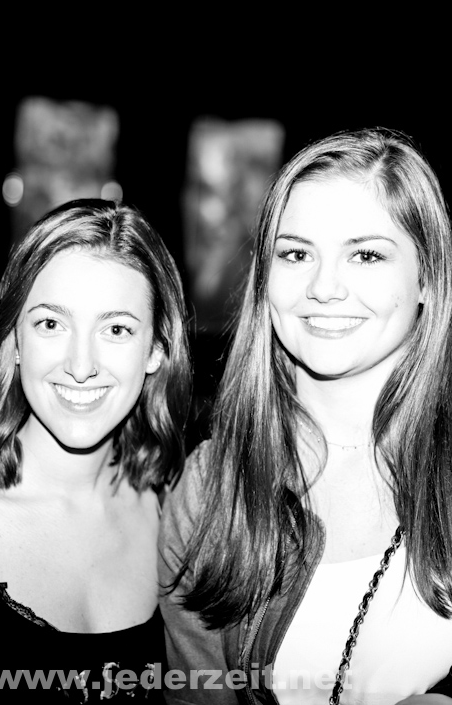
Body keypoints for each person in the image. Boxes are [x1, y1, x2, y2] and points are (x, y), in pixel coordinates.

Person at [158, 127, 452, 704]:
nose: (323, 287)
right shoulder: (211, 490)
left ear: (426, 278)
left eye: (365, 254)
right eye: (296, 254)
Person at [0, 198, 191, 703]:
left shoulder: (180, 513)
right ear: (15, 339)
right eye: (51, 324)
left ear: (156, 350)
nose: (80, 366)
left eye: (116, 329)